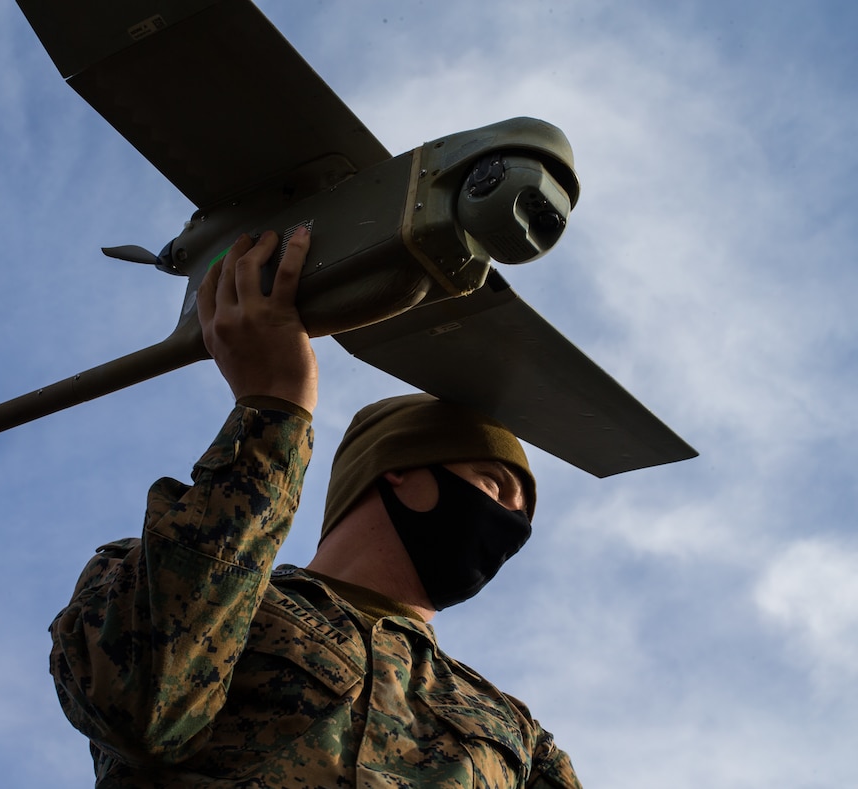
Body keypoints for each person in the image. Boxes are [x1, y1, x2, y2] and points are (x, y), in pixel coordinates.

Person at [49, 228, 582, 787]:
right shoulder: (153, 582)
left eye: (523, 516)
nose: (512, 525)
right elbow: (142, 708)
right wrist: (275, 404)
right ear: (398, 469)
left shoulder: (515, 733)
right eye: (494, 485)